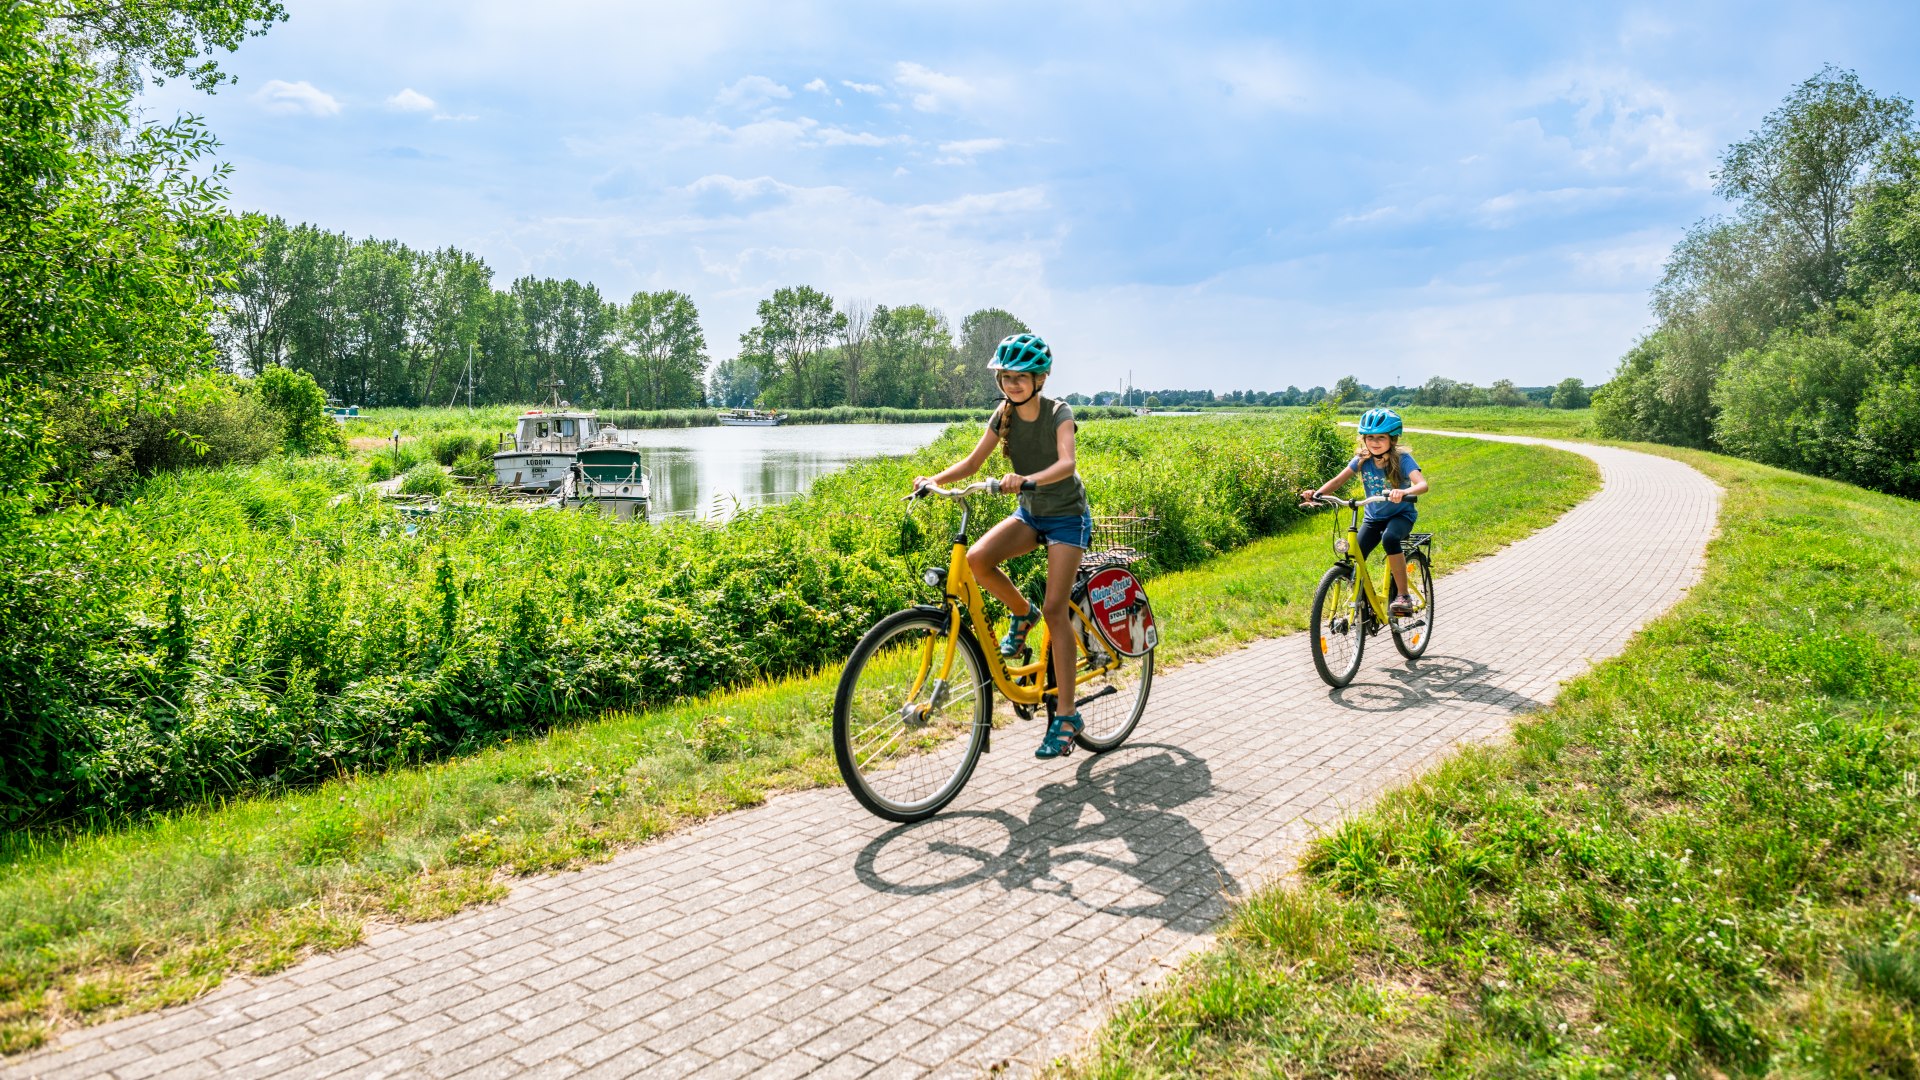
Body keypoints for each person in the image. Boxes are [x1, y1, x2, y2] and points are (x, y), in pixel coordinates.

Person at [913, 333, 1092, 759]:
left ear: (1040, 378)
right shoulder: (1003, 415)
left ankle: (1066, 715)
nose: (1011, 384)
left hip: (1066, 516)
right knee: (977, 559)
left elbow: (1067, 462)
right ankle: (1020, 612)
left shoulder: (1058, 412)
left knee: (1056, 609)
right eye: (1005, 377)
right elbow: (974, 464)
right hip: (1030, 514)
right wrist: (934, 480)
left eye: (1020, 377)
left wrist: (1026, 479)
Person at [1299, 408, 1429, 616]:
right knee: (1354, 553)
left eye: (1381, 437)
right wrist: (1317, 495)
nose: (1375, 442)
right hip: (1374, 517)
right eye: (1370, 437)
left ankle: (1403, 596)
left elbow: (1422, 485)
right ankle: (1361, 600)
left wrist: (1404, 491)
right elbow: (1339, 480)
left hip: (1400, 516)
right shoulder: (1362, 459)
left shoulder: (1403, 460)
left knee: (1390, 539)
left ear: (1392, 439)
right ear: (1364, 439)